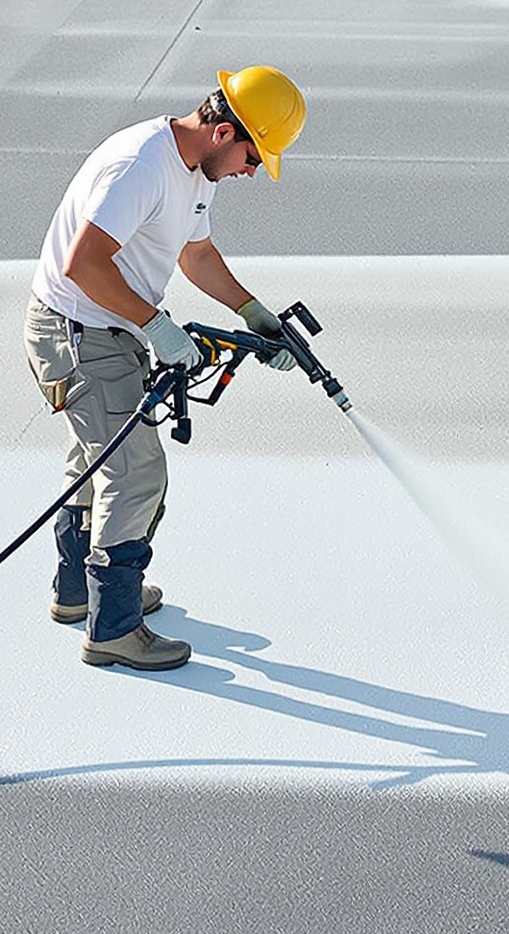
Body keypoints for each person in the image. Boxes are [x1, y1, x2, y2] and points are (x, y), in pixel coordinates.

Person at [24, 66, 309, 670]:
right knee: (136, 474)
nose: (253, 171)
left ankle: (79, 593)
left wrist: (253, 312)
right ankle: (114, 627)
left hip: (108, 323)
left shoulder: (195, 171)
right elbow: (85, 264)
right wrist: (156, 325)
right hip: (77, 328)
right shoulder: (143, 165)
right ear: (223, 131)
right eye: (254, 156)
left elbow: (196, 253)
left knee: (97, 461)